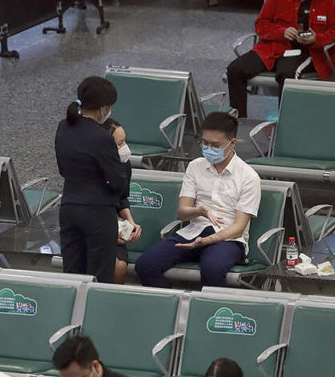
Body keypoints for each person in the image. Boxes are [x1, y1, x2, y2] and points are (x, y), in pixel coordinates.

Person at [134, 111, 259, 288]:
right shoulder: (195, 166)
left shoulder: (248, 177)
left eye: (215, 145)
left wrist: (206, 241)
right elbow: (183, 213)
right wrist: (199, 211)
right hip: (194, 231)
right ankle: (171, 308)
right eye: (204, 143)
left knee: (213, 268)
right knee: (146, 265)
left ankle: (205, 313)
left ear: (232, 143)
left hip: (228, 240)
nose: (208, 148)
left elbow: (238, 229)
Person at [225, 0, 335, 118]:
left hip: (307, 51)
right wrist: (281, 31)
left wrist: (317, 38)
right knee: (235, 69)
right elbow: (260, 25)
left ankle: (285, 123)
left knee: (286, 75)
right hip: (272, 47)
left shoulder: (328, 0)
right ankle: (238, 121)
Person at [55, 76, 132, 283]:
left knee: (72, 275)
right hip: (97, 213)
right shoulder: (101, 136)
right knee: (98, 277)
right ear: (104, 108)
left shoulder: (64, 127)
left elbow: (62, 169)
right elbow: (116, 182)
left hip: (69, 207)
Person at [103, 118, 142, 284]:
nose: (125, 148)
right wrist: (110, 234)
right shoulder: (91, 169)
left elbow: (121, 199)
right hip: (93, 229)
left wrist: (131, 223)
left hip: (112, 227)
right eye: (119, 144)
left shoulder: (124, 165)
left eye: (124, 141)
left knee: (119, 266)